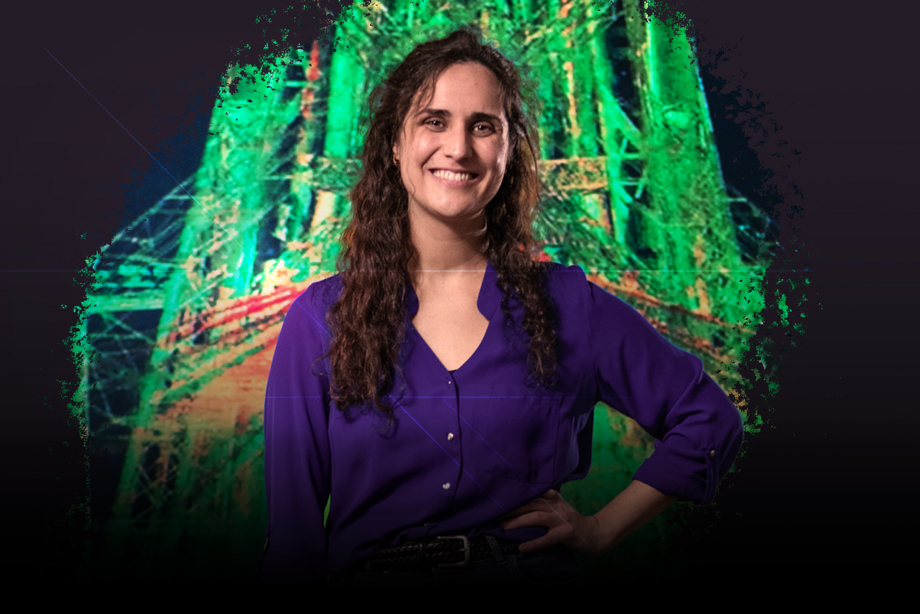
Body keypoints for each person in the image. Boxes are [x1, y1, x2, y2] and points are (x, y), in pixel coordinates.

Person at [259, 27, 743, 586]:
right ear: (395, 145)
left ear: (510, 153)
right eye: (433, 121)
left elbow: (710, 420)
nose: (459, 148)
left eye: (483, 127)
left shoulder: (568, 305)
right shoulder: (320, 320)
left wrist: (602, 530)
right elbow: (292, 538)